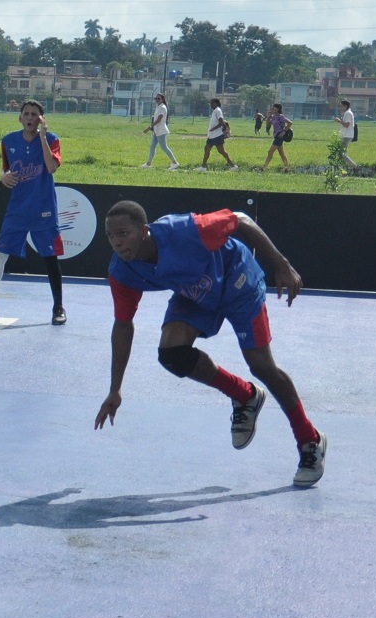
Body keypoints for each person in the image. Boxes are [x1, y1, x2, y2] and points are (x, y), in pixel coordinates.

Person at [93, 200, 326, 487]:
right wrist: (115, 388)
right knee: (172, 354)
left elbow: (240, 219)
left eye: (123, 233)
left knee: (263, 367)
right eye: (111, 236)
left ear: (144, 231)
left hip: (236, 278)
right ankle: (245, 396)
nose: (117, 242)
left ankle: (310, 441)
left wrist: (281, 264)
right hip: (196, 293)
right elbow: (123, 325)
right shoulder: (122, 271)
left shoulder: (184, 230)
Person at [0, 100, 65, 324]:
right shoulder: (9, 141)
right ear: (20, 118)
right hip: (18, 209)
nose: (30, 118)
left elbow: (51, 168)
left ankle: (58, 307)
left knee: (50, 258)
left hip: (43, 208)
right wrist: (3, 177)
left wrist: (43, 136)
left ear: (42, 119)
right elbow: (5, 169)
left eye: (35, 115)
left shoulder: (52, 140)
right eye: (26, 114)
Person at [141, 92, 178, 169]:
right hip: (156, 130)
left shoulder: (163, 107)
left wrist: (149, 128)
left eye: (159, 98)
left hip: (161, 130)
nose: (157, 100)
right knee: (152, 146)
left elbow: (158, 120)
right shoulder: (159, 107)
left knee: (164, 147)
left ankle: (175, 163)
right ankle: (148, 163)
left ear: (162, 99)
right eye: (156, 98)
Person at [199, 98, 236, 170]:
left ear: (216, 103)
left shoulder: (218, 111)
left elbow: (222, 122)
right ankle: (203, 166)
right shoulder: (215, 111)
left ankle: (233, 166)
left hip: (217, 135)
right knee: (206, 149)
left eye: (212, 103)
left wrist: (213, 128)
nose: (211, 105)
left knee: (221, 151)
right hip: (212, 136)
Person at [258, 103, 293, 170]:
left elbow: (290, 123)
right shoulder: (273, 116)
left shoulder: (281, 116)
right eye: (273, 108)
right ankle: (287, 167)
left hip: (280, 136)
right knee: (281, 153)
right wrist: (268, 116)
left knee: (270, 151)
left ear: (278, 109)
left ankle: (264, 167)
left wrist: (284, 131)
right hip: (276, 135)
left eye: (275, 108)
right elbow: (268, 125)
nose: (273, 109)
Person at [337, 99, 358, 168]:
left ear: (345, 106)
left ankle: (354, 166)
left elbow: (347, 125)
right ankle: (343, 170)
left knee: (342, 153)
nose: (340, 108)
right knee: (341, 154)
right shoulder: (347, 113)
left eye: (341, 106)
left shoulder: (348, 113)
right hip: (346, 135)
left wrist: (339, 121)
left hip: (347, 136)